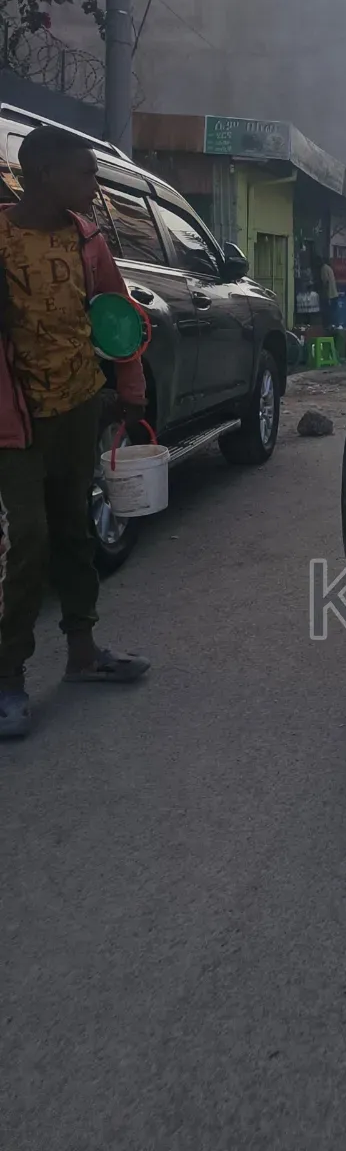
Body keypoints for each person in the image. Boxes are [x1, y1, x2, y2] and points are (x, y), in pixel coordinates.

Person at [0, 126, 150, 739]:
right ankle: (9, 679)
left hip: (79, 405)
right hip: (15, 419)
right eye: (85, 175)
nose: (94, 186)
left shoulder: (87, 238)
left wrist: (130, 394)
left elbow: (118, 315)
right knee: (30, 540)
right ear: (42, 174)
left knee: (73, 531)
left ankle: (84, 654)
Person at [309, 246, 339, 332]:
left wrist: (325, 296)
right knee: (333, 314)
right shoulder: (328, 267)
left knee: (328, 314)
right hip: (334, 295)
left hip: (330, 295)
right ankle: (333, 327)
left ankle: (329, 328)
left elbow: (325, 283)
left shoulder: (323, 269)